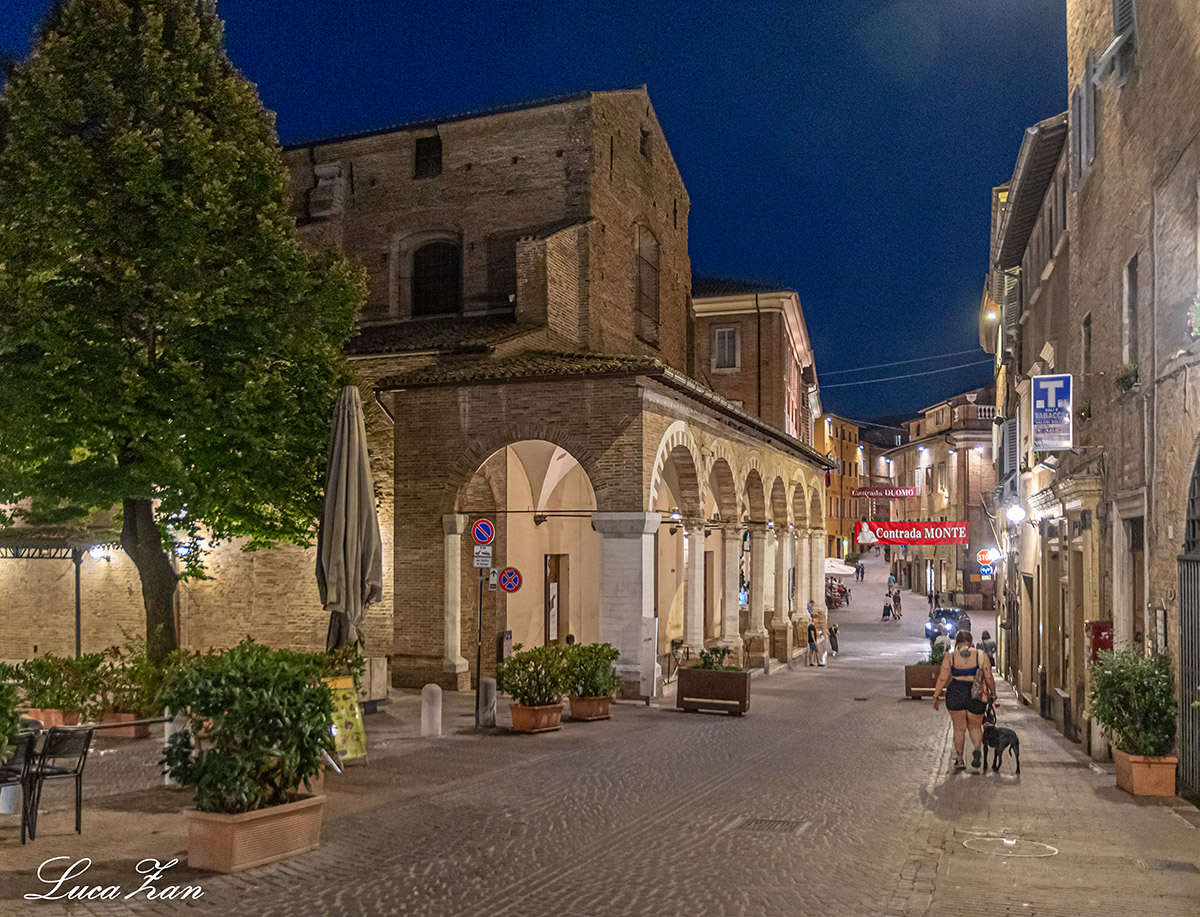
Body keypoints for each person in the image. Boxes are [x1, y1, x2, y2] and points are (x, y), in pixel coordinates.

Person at [933, 630, 996, 771]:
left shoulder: (951, 656)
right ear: (971, 641)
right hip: (976, 694)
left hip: (956, 693)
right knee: (975, 726)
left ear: (957, 642)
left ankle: (960, 759)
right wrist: (993, 694)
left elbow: (943, 677)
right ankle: (977, 749)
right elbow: (988, 676)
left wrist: (936, 695)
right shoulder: (980, 655)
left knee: (959, 728)